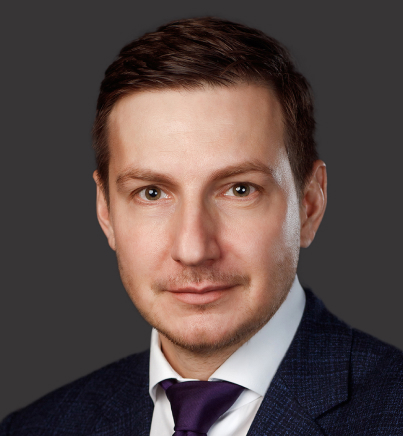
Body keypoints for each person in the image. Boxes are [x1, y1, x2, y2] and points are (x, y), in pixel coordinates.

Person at [1, 16, 402, 436]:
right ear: (106, 210)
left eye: (240, 190)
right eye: (152, 193)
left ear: (310, 203)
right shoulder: (35, 429)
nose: (193, 249)